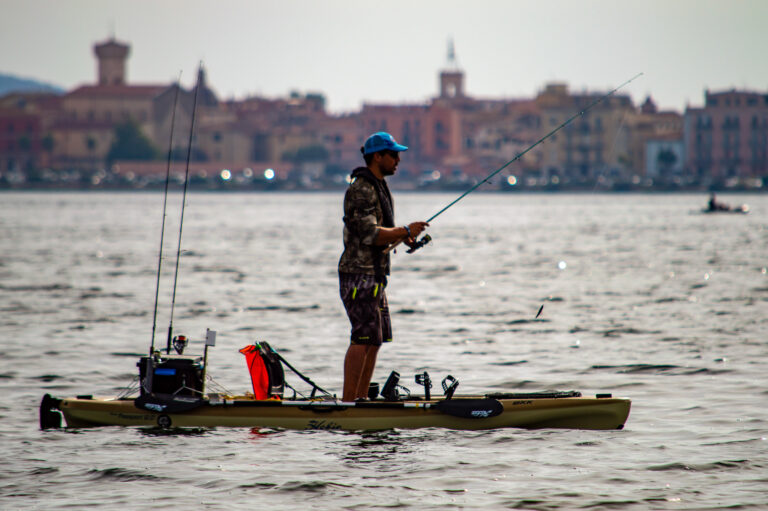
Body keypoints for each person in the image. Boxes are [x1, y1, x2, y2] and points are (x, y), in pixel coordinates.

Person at [338, 132, 429, 401]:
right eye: (393, 154)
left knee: (376, 339)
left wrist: (404, 236)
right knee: (362, 338)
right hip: (359, 275)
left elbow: (381, 233)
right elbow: (370, 234)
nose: (398, 159)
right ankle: (349, 403)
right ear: (377, 156)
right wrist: (403, 229)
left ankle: (361, 399)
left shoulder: (378, 186)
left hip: (375, 275)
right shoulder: (362, 189)